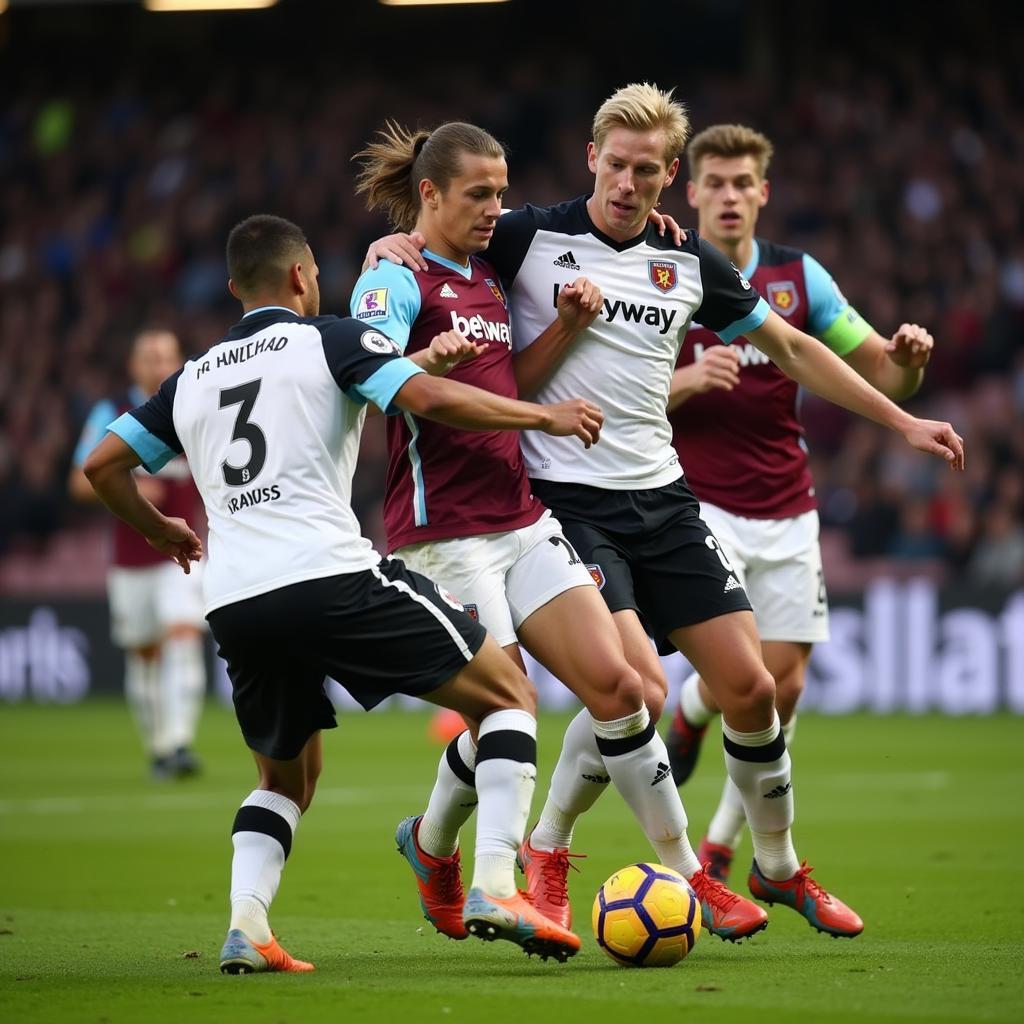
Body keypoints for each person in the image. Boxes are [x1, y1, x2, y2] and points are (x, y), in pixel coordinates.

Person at [365, 82, 964, 940]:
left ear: (667, 175)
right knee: (631, 686)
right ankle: (559, 851)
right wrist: (390, 247)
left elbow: (791, 348)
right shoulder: (529, 236)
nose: (628, 184)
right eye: (616, 166)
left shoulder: (687, 261)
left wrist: (903, 418)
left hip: (666, 498)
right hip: (564, 503)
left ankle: (779, 864)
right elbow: (437, 254)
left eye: (647, 172)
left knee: (752, 689)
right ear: (591, 159)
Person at [82, 214, 607, 972]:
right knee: (507, 695)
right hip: (327, 576)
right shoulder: (328, 338)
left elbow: (103, 466)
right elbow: (425, 399)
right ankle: (495, 881)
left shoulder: (190, 379)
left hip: (235, 601)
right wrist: (543, 413)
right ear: (301, 276)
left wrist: (161, 526)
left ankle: (247, 926)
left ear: (234, 289)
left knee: (287, 778)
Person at [350, 120, 769, 943]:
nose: (497, 210)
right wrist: (383, 256)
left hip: (520, 515)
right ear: (429, 195)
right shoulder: (400, 280)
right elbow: (387, 385)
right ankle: (482, 875)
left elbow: (508, 377)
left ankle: (686, 877)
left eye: (503, 194)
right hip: (443, 531)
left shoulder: (485, 277)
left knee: (626, 689)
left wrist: (569, 329)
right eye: (480, 195)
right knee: (507, 707)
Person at [660, 123, 941, 882]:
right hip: (698, 502)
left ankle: (715, 809)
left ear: (763, 193)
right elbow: (607, 400)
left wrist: (907, 366)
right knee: (744, 677)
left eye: (741, 183)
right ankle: (735, 842)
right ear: (690, 192)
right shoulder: (663, 272)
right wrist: (684, 384)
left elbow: (881, 373)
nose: (727, 196)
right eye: (713, 182)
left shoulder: (798, 280)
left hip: (787, 503)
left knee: (781, 689)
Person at [69, 329, 207, 780]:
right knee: (145, 654)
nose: (158, 366)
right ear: (134, 366)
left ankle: (179, 743)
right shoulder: (112, 412)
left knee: (183, 639)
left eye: (166, 356)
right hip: (131, 560)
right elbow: (78, 480)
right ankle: (159, 748)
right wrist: (128, 486)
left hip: (182, 555)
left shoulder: (191, 406)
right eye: (149, 357)